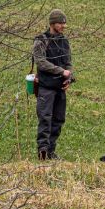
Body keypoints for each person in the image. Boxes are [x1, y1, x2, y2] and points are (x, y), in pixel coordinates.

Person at [32, 9, 75, 160]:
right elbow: (41, 62)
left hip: (60, 88)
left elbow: (68, 62)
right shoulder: (40, 40)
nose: (63, 26)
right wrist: (61, 72)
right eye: (60, 23)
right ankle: (42, 152)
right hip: (46, 87)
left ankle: (51, 151)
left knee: (58, 120)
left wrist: (69, 77)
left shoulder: (64, 41)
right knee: (45, 118)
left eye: (64, 23)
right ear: (52, 23)